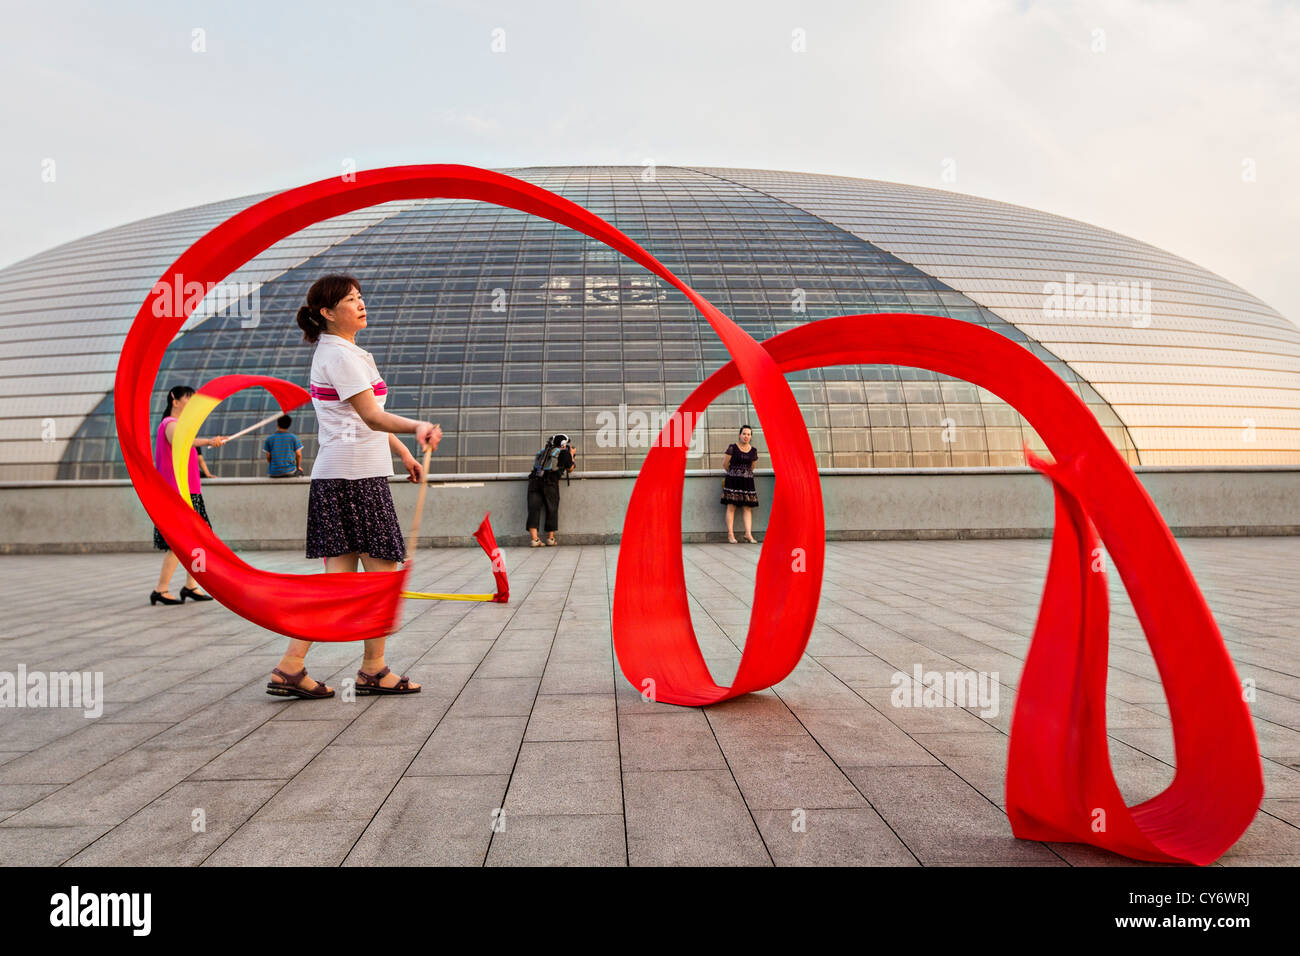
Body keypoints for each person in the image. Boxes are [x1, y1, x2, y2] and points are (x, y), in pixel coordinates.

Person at [272, 273, 441, 700]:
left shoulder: (344, 352)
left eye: (360, 297)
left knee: (340, 585)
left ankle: (291, 667)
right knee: (382, 579)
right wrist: (418, 427)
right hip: (355, 481)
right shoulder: (342, 357)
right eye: (350, 299)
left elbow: (362, 419)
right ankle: (372, 670)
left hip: (343, 476)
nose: (361, 303)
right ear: (327, 313)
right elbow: (371, 417)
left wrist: (403, 452)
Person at [150, 385, 229, 605]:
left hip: (191, 491)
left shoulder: (181, 426)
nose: (191, 404)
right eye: (188, 399)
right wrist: (208, 441)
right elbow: (181, 442)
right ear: (174, 400)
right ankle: (161, 589)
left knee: (198, 542)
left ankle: (191, 586)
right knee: (179, 544)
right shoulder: (170, 424)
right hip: (178, 495)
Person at [526, 433, 575, 547]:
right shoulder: (564, 453)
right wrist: (571, 455)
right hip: (550, 482)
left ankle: (535, 539)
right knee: (552, 508)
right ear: (563, 444)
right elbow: (570, 469)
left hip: (534, 480)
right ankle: (550, 539)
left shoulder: (543, 451)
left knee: (533, 509)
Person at [721, 424, 759, 543]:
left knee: (747, 508)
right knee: (731, 506)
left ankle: (748, 534)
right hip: (732, 480)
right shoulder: (732, 447)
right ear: (739, 435)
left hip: (747, 481)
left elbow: (752, 467)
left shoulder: (753, 451)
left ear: (751, 436)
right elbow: (725, 464)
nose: (746, 436)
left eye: (748, 434)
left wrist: (744, 474)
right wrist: (734, 473)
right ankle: (730, 535)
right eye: (744, 434)